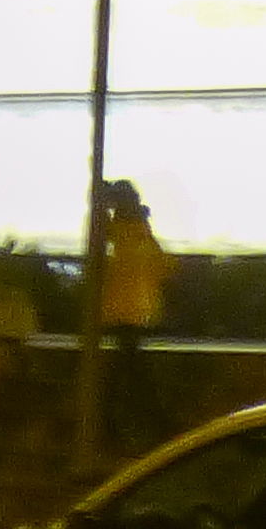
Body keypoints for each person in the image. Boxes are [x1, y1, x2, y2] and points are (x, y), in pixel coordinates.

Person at [95, 181, 174, 439]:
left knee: (128, 371)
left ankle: (124, 423)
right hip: (133, 310)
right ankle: (154, 422)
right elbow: (161, 266)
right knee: (131, 370)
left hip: (128, 310)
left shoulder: (126, 230)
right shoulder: (137, 229)